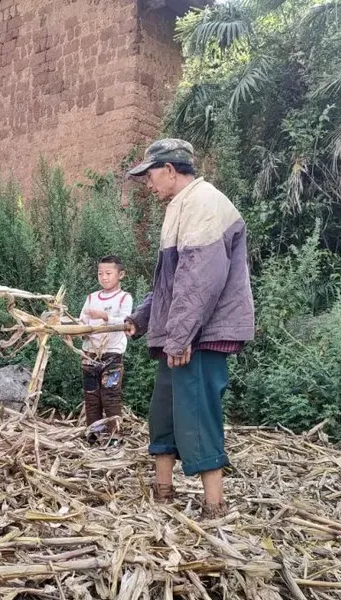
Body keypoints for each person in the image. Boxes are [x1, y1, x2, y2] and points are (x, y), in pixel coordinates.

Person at [124, 138, 255, 519]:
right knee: (163, 411)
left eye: (149, 176)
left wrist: (180, 336)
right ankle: (162, 493)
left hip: (201, 337)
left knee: (198, 414)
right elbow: (170, 284)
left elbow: (200, 280)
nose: (147, 186)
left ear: (169, 170)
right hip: (181, 336)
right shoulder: (181, 207)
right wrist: (142, 318)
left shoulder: (204, 203)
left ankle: (214, 508)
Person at [78, 255, 134, 444]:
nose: (104, 277)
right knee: (91, 395)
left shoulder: (124, 298)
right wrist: (73, 330)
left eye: (109, 273)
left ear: (121, 274)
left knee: (110, 395)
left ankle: (115, 435)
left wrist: (105, 316)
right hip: (89, 354)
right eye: (100, 273)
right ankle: (93, 434)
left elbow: (126, 322)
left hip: (112, 354)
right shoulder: (91, 298)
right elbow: (82, 322)